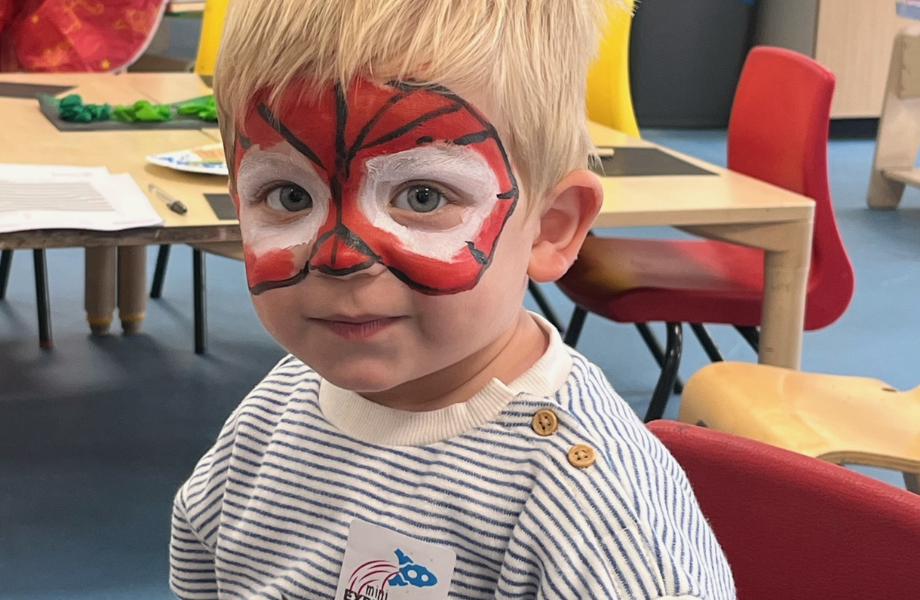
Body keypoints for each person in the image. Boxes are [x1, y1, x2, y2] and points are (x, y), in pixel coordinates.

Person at [169, 0, 735, 597]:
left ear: (550, 228)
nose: (340, 258)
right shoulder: (276, 409)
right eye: (287, 196)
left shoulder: (594, 508)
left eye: (422, 196)